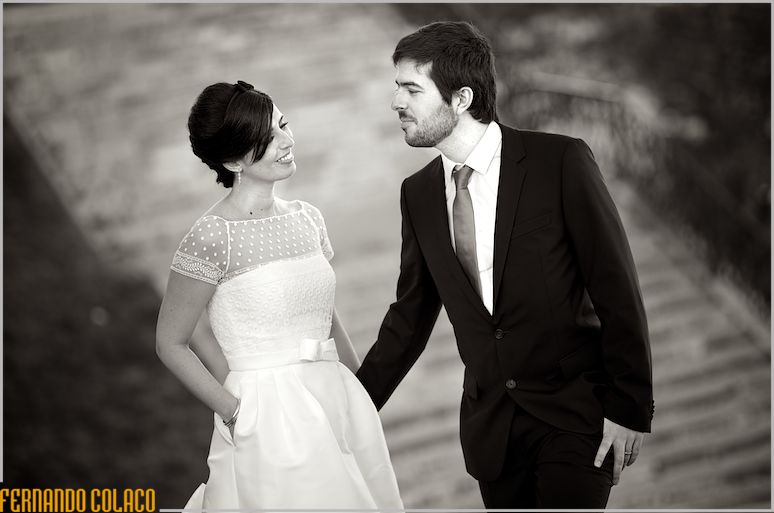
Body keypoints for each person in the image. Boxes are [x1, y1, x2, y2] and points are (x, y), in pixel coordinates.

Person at [356, 21, 654, 509]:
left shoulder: (559, 162)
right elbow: (408, 319)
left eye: (411, 88)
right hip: (492, 433)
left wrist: (630, 407)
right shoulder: (418, 195)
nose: (397, 102)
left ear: (461, 98)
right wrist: (353, 407)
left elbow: (617, 287)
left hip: (574, 415)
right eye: (397, 88)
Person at [155, 80, 403, 510]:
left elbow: (323, 312)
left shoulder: (308, 218)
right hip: (268, 416)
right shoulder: (212, 236)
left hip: (335, 400)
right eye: (267, 139)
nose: (286, 142)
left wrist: (359, 385)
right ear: (234, 159)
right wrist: (234, 409)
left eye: (283, 125)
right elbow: (171, 341)